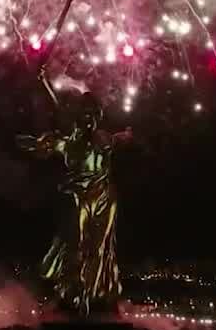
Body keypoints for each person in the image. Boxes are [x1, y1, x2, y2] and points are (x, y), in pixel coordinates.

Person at [17, 67, 133, 316]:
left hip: (104, 197)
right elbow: (47, 138)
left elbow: (119, 139)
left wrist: (126, 137)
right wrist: (33, 143)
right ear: (78, 118)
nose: (89, 118)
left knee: (100, 248)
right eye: (85, 114)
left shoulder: (102, 139)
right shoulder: (69, 143)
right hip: (79, 196)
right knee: (76, 243)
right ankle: (75, 293)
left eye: (93, 114)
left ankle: (97, 293)